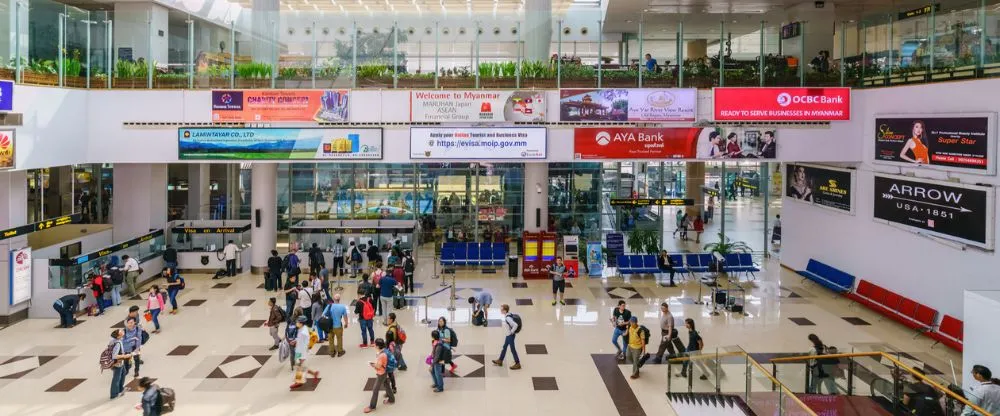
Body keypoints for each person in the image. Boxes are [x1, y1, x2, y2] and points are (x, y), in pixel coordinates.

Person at [364, 338, 395, 413]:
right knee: (386, 384)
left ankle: (372, 406)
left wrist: (371, 364)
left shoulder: (382, 356)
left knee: (375, 389)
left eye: (375, 345)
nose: (374, 346)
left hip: (381, 373)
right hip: (385, 372)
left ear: (378, 346)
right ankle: (391, 399)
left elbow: (378, 366)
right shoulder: (385, 350)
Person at [290, 316, 320, 390]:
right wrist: (296, 340)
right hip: (299, 350)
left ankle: (298, 382)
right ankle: (314, 373)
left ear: (301, 323)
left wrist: (302, 357)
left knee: (299, 367)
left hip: (301, 352)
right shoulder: (302, 329)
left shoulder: (304, 332)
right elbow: (300, 339)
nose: (296, 323)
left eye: (297, 322)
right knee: (300, 367)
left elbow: (305, 345)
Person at [491, 304, 522, 370]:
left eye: (501, 310)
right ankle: (500, 360)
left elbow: (515, 325)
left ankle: (517, 363)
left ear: (505, 310)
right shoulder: (509, 314)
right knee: (504, 347)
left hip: (510, 336)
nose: (500, 310)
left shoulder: (508, 318)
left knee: (512, 349)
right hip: (508, 335)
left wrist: (511, 332)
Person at [107, 329, 132, 400]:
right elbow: (114, 356)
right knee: (116, 379)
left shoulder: (112, 340)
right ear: (118, 336)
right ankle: (114, 394)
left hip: (118, 363)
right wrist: (125, 356)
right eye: (121, 332)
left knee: (123, 374)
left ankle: (121, 389)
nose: (122, 331)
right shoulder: (117, 343)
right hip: (117, 363)